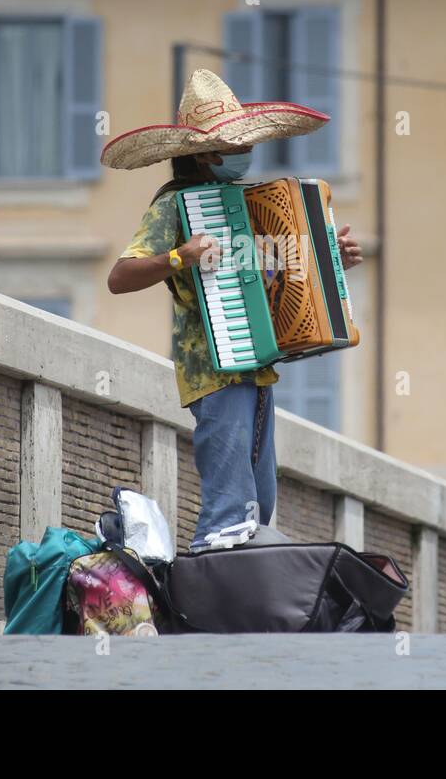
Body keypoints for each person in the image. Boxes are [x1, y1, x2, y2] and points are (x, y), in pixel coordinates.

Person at [102, 69, 363, 550]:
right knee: (229, 510)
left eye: (247, 147)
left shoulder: (249, 205)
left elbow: (273, 275)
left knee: (258, 507)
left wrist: (330, 259)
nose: (245, 157)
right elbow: (120, 277)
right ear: (204, 154)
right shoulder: (173, 207)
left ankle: (236, 598)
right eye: (235, 148)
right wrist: (182, 255)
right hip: (213, 373)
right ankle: (211, 595)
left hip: (257, 370)